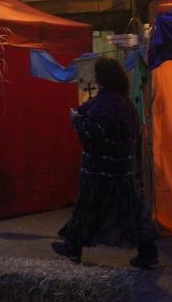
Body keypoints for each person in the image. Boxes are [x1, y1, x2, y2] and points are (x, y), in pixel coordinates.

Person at [51, 57, 158, 269]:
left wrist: (77, 121)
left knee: (89, 207)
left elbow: (97, 131)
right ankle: (148, 253)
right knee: (132, 210)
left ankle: (73, 249)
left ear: (102, 78)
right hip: (123, 170)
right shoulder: (125, 103)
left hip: (101, 171)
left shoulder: (107, 104)